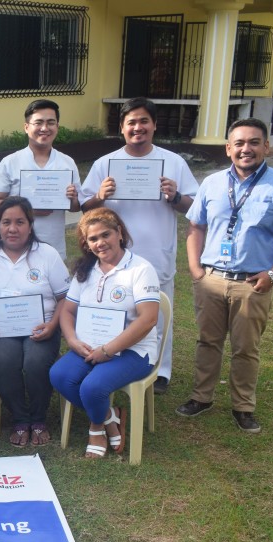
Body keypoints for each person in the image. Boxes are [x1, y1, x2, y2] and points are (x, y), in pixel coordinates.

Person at [177, 118, 273, 433]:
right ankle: (201, 397)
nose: (245, 149)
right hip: (211, 279)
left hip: (253, 284)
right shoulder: (211, 183)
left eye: (254, 142)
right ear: (228, 148)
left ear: (266, 146)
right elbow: (196, 226)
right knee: (207, 341)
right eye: (239, 143)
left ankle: (243, 406)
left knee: (246, 348)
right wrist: (196, 269)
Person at [80, 97, 197, 394]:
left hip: (156, 251)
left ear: (154, 125)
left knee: (157, 312)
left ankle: (160, 370)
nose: (138, 127)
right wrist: (100, 196)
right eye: (131, 122)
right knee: (114, 307)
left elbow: (193, 207)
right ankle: (113, 359)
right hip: (113, 256)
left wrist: (175, 196)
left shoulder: (173, 162)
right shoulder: (105, 163)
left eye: (144, 121)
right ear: (121, 127)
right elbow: (85, 208)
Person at [49, 209, 160, 459]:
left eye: (105, 234)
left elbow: (148, 319)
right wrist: (73, 341)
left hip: (133, 350)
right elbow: (67, 311)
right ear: (86, 244)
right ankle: (110, 415)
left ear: (119, 233)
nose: (100, 243)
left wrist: (108, 350)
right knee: (59, 376)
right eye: (93, 239)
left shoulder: (140, 269)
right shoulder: (85, 270)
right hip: (89, 346)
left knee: (92, 387)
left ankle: (96, 427)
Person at [0, 197, 69, 447]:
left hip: (42, 327)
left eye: (19, 222)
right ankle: (19, 418)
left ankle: (38, 418)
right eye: (6, 222)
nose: (12, 229)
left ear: (30, 225)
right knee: (4, 361)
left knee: (35, 362)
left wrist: (52, 326)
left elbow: (65, 298)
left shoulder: (47, 254)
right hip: (1, 330)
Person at [0, 99, 81, 257]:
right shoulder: (11, 162)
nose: (44, 128)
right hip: (15, 246)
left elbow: (76, 207)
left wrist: (73, 198)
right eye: (38, 123)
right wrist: (27, 210)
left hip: (53, 246)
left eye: (50, 123)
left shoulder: (67, 163)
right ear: (26, 127)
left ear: (57, 127)